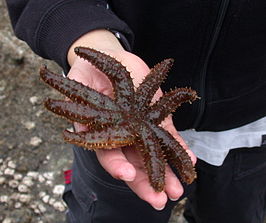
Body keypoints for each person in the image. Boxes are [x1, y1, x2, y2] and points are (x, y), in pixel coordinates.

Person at [6, 1, 266, 223]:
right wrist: (87, 38)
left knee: (234, 210)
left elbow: (171, 92)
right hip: (124, 55)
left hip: (252, 127)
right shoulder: (129, 111)